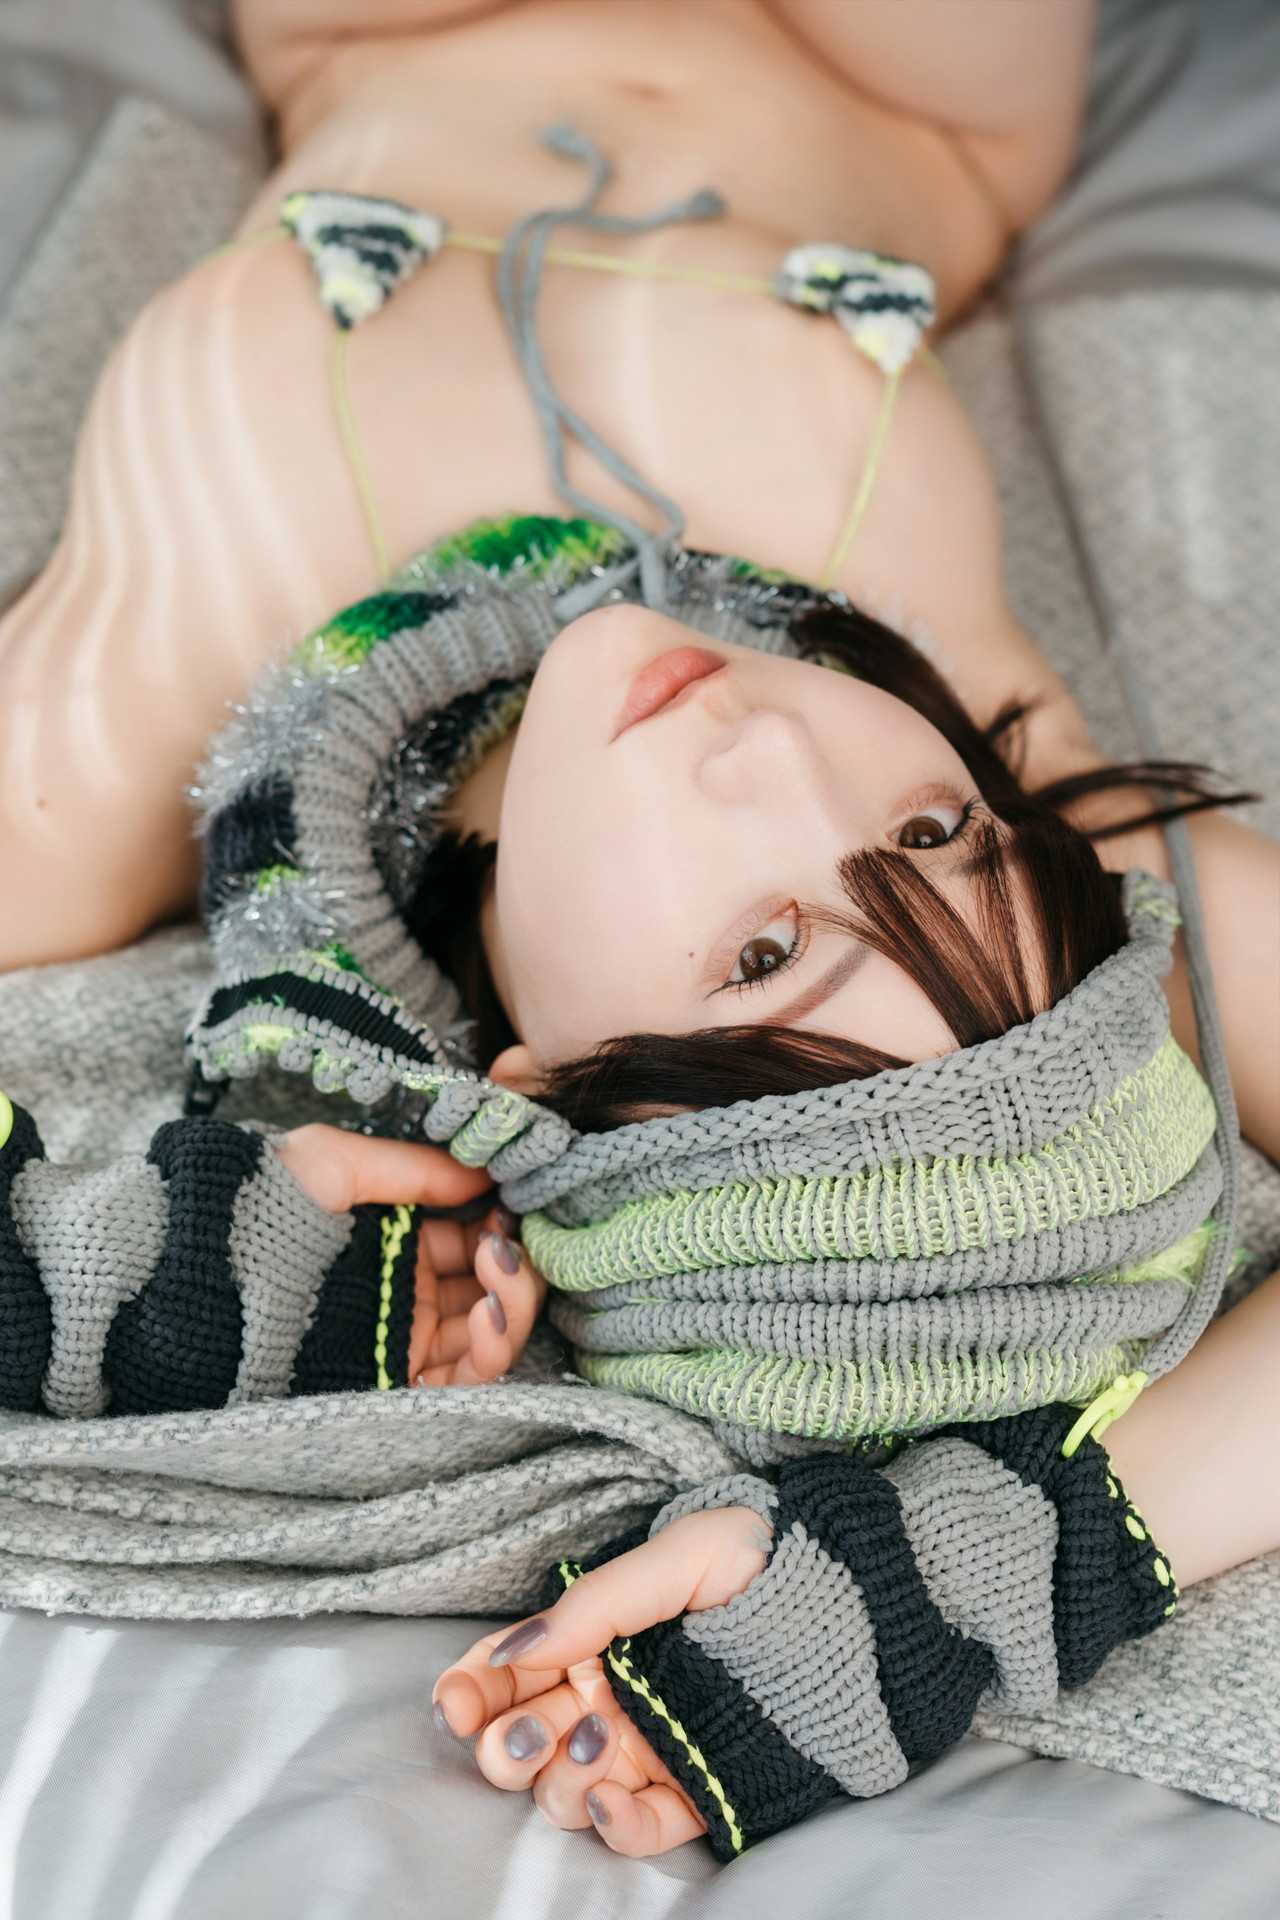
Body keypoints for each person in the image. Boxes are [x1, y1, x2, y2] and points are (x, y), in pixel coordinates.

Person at [1, 0, 1277, 1864]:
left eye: (764, 955)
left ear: (545, 1091)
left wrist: (102, 1273)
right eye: (933, 831)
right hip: (898, 75)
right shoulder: (1068, 860)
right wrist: (1025, 1548)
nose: (785, 755)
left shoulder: (113, 742)